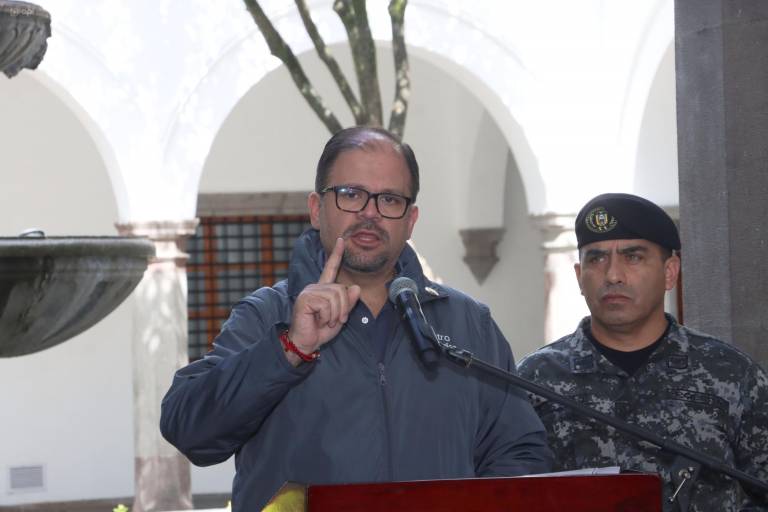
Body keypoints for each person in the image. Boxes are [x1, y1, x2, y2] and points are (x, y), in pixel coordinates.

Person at [161, 126, 552, 511]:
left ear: (411, 219)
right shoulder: (266, 316)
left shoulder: (467, 323)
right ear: (316, 209)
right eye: (351, 195)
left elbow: (520, 450)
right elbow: (190, 430)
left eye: (390, 199)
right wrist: (289, 350)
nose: (370, 213)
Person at [517, 193, 768, 511]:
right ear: (580, 276)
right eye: (597, 259)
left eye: (633, 257)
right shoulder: (533, 380)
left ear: (670, 272)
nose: (612, 275)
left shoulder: (732, 374)